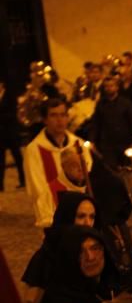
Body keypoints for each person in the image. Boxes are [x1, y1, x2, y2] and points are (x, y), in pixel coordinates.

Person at [24, 97, 92, 227]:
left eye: (63, 115)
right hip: (53, 215)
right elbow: (37, 188)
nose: (59, 120)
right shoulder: (34, 150)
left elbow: (88, 178)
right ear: (45, 120)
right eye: (53, 115)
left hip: (82, 212)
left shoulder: (79, 145)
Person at [89, 76, 132, 168]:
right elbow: (96, 124)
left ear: (117, 87)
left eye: (111, 86)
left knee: (128, 169)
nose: (109, 88)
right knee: (112, 170)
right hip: (108, 145)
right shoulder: (100, 105)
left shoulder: (126, 103)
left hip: (125, 143)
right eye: (106, 86)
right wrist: (93, 140)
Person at [0, 82, 26, 193]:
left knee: (18, 158)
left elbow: (12, 113)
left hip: (11, 132)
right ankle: (0, 185)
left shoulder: (10, 96)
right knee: (0, 160)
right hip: (1, 134)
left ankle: (23, 180)